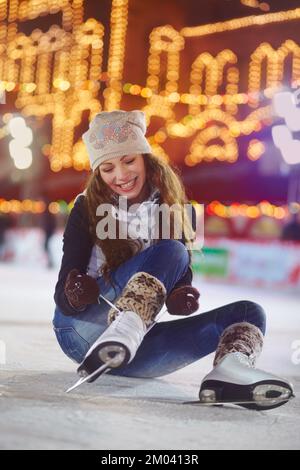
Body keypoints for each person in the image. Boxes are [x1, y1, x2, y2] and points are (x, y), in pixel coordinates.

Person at [53, 110, 293, 409]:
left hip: (133, 350)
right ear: (98, 174)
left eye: (128, 161)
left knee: (249, 312)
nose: (121, 176)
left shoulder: (173, 210)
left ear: (145, 159)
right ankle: (125, 329)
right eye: (107, 168)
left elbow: (179, 281)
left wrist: (180, 297)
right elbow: (62, 297)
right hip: (81, 329)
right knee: (172, 250)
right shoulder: (86, 207)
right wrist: (75, 293)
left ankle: (229, 373)